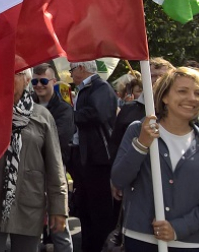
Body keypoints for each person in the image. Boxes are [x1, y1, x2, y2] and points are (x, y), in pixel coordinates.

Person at [111, 67, 199, 251]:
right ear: (165, 97)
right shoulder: (138, 130)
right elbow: (119, 179)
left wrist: (177, 229)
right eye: (182, 91)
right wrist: (141, 144)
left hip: (191, 243)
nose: (192, 98)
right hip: (141, 239)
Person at [0, 69, 68, 252]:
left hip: (28, 206)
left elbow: (55, 166)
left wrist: (59, 208)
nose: (8, 77)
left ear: (27, 81)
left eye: (15, 72)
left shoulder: (42, 117)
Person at [69, 60, 118, 252]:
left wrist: (69, 114)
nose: (70, 74)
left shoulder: (101, 87)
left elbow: (97, 114)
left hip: (98, 160)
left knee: (100, 210)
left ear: (81, 68)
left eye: (72, 69)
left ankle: (101, 246)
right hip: (84, 158)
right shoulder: (86, 89)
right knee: (86, 208)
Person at [32, 63, 74, 252]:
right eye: (34, 81)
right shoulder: (26, 106)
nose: (39, 85)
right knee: (30, 228)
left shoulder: (64, 109)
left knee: (59, 228)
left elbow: (60, 141)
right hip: (29, 174)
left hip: (53, 174)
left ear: (54, 82)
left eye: (43, 81)